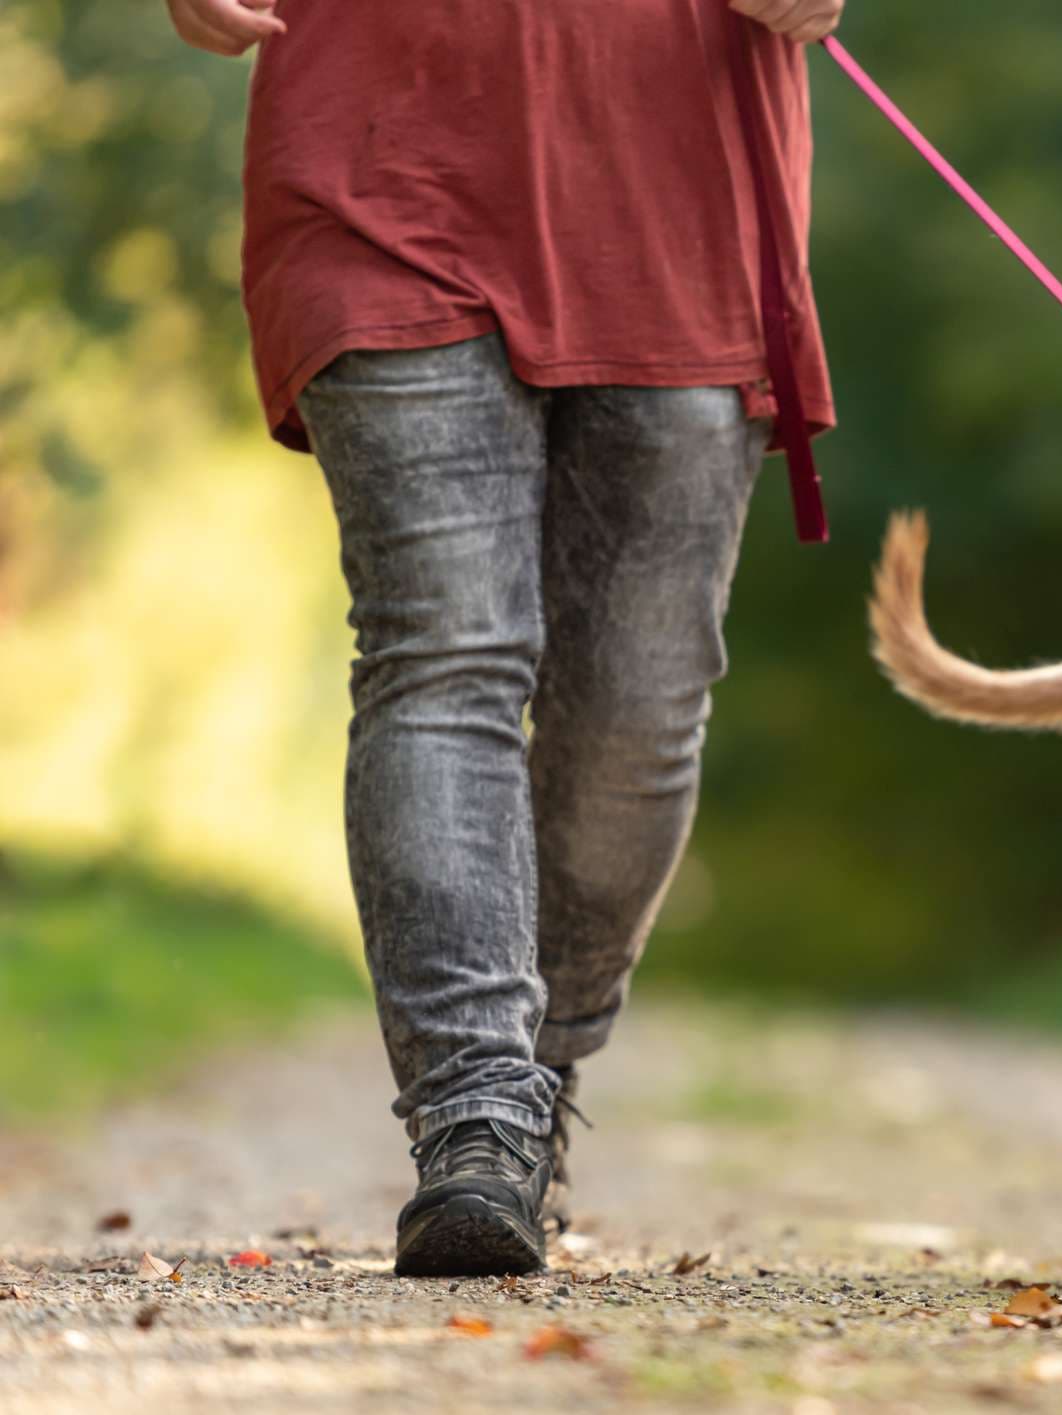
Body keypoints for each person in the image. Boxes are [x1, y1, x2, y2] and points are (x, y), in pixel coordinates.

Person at [165, 0, 845, 1276]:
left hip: (678, 197)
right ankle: (476, 1114)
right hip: (377, 164)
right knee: (441, 649)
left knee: (638, 700)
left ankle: (541, 1063)